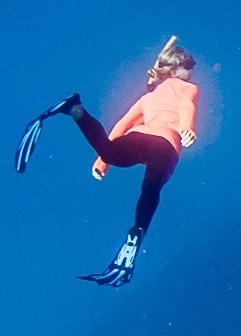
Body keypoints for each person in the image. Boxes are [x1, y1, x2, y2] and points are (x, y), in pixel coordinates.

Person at [14, 36, 201, 287]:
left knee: (114, 153)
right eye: (189, 66)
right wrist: (188, 128)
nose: (192, 72)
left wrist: (104, 160)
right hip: (166, 145)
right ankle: (137, 231)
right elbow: (187, 105)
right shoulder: (188, 88)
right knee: (151, 189)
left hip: (141, 137)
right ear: (176, 69)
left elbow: (122, 125)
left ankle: (76, 110)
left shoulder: (148, 98)